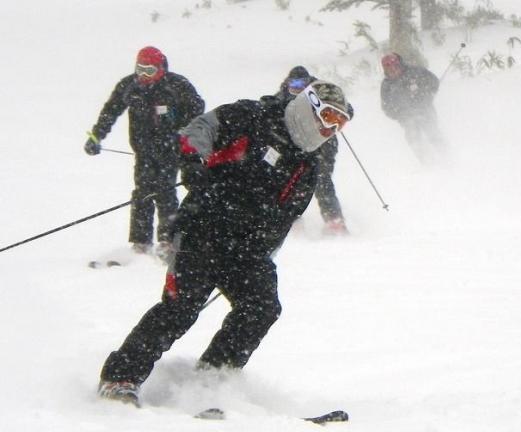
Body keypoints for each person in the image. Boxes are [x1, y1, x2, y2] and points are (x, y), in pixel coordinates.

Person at [97, 80, 353, 406]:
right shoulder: (253, 116)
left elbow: (284, 218)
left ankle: (210, 381)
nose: (331, 129)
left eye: (340, 123)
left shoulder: (307, 164)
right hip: (202, 228)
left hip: (247, 250)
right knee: (181, 308)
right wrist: (193, 163)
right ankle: (120, 377)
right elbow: (197, 131)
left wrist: (262, 251)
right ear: (310, 105)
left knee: (261, 307)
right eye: (329, 117)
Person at [84, 46, 205, 258]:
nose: (144, 75)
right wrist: (96, 136)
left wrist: (183, 134)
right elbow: (110, 111)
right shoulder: (130, 86)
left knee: (165, 193)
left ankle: (168, 240)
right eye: (140, 69)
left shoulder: (176, 85)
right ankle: (140, 242)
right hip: (143, 151)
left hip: (170, 150)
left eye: (149, 71)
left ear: (161, 69)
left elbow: (197, 108)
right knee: (142, 193)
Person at [275, 66, 349, 235]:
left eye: (301, 84)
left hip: (324, 141)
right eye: (293, 84)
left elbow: (346, 108)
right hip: (297, 144)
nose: (297, 88)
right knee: (295, 178)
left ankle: (334, 219)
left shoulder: (320, 91)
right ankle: (293, 219)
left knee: (322, 178)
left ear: (308, 82)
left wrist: (333, 116)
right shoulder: (282, 96)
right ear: (287, 83)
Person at [380, 52, 445, 162]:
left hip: (425, 111)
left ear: (400, 64)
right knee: (414, 139)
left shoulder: (415, 72)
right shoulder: (387, 85)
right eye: (389, 69)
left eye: (395, 67)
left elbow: (434, 82)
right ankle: (427, 162)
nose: (393, 71)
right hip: (406, 118)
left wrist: (426, 97)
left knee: (433, 133)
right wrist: (399, 114)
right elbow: (386, 107)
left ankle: (447, 157)